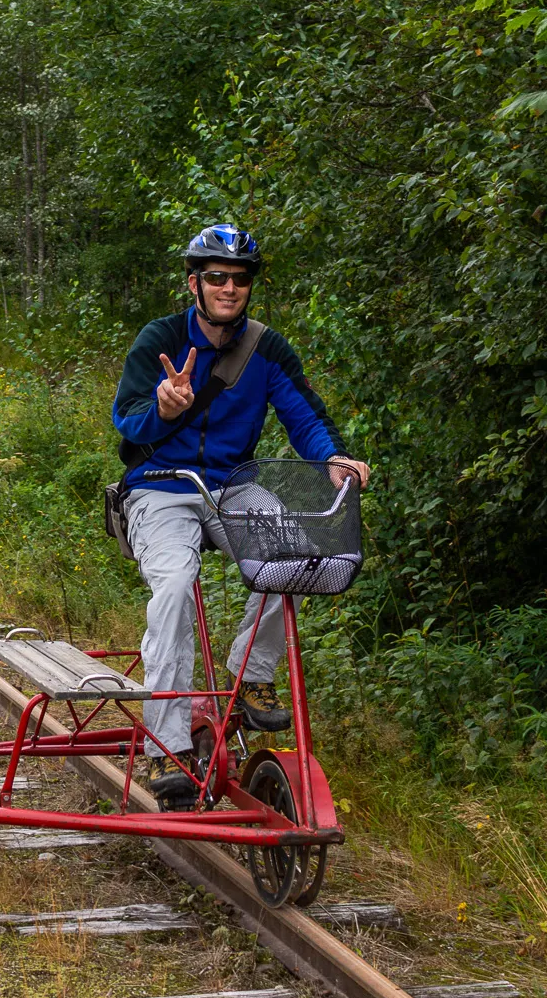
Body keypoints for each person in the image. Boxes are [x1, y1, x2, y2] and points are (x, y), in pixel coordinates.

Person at [111, 225, 370, 805]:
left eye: (240, 278)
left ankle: (251, 673)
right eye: (216, 277)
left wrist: (332, 458)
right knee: (175, 586)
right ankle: (168, 746)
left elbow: (305, 415)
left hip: (232, 485)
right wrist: (163, 407)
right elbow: (127, 419)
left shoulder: (266, 348)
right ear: (194, 283)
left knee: (294, 554)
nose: (229, 287)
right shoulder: (159, 339)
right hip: (161, 485)